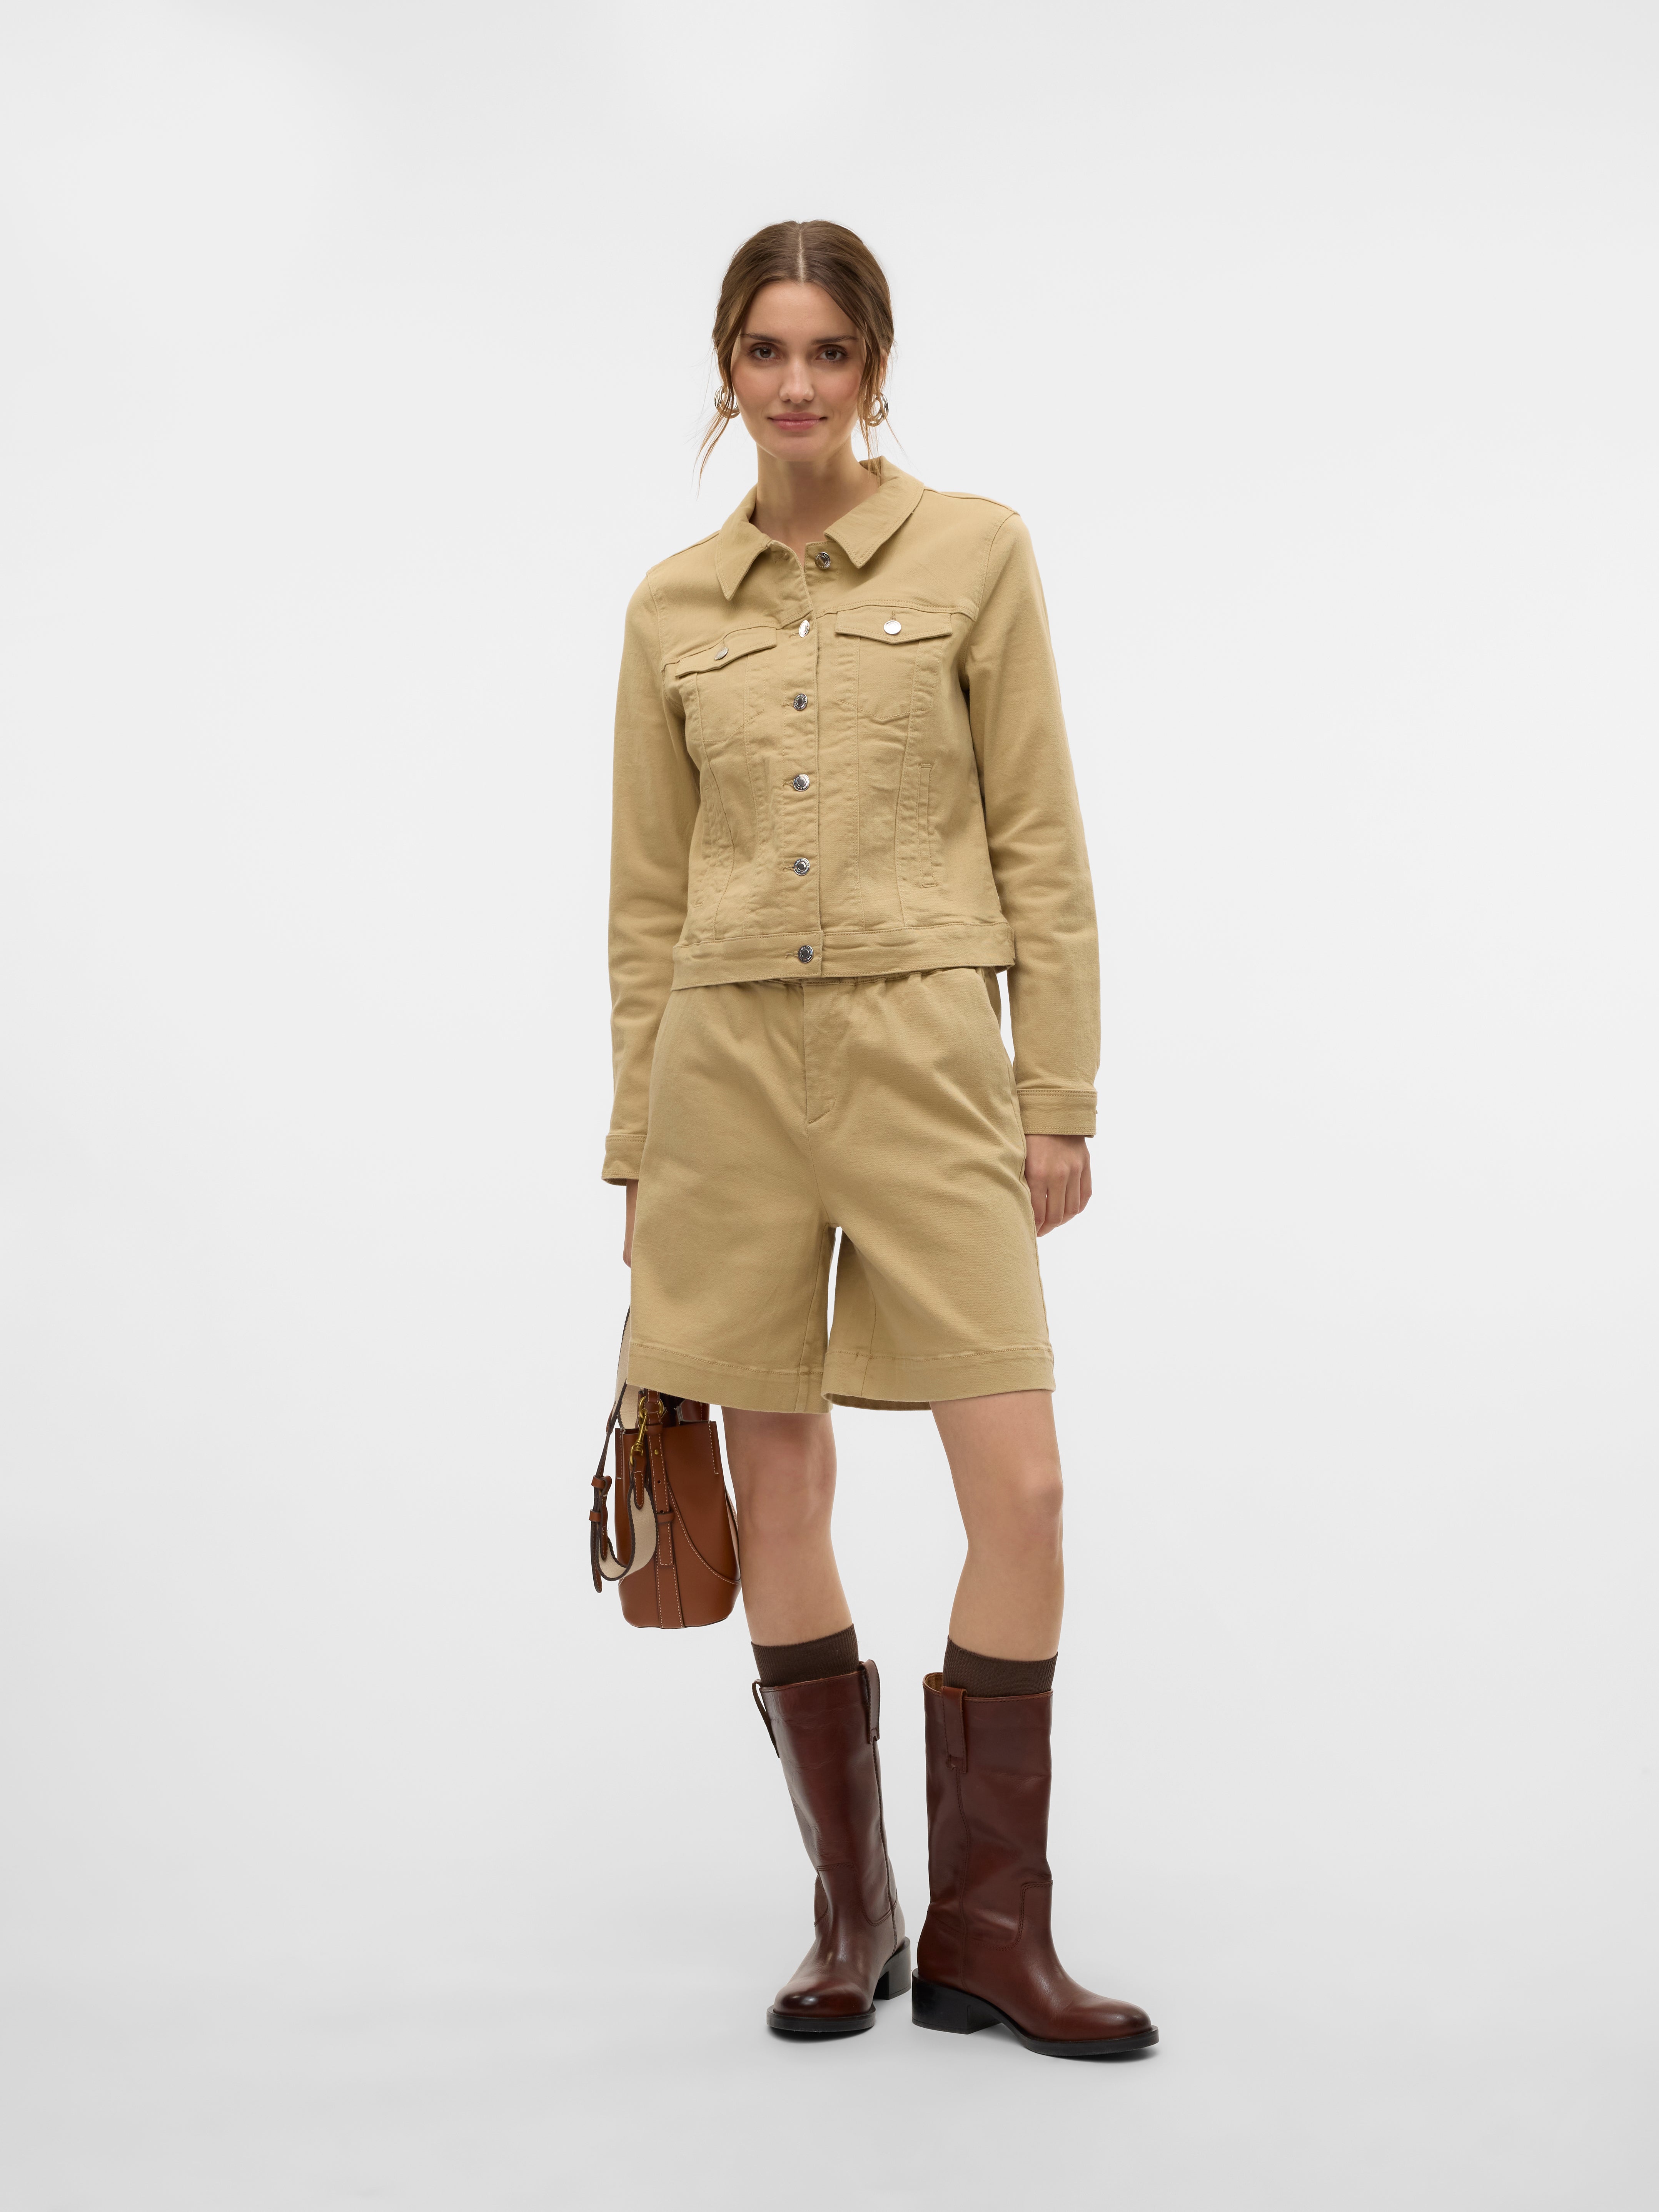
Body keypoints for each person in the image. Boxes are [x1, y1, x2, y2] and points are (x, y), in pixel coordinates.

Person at [603, 219, 1156, 2058]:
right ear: (727, 369)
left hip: (927, 1061)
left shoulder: (976, 552)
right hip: (725, 1085)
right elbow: (645, 900)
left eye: (828, 351)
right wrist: (636, 1149)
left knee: (1025, 1488)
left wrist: (1054, 1093)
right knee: (781, 1487)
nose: (797, 384)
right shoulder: (669, 608)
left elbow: (1042, 842)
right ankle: (854, 1911)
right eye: (765, 351)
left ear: (875, 367)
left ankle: (997, 1925)